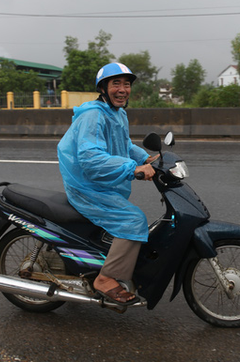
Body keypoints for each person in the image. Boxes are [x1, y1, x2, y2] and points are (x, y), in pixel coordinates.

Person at [57, 62, 157, 305]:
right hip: (86, 187)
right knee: (133, 220)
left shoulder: (117, 113)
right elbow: (91, 159)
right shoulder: (93, 115)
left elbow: (123, 145)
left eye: (126, 84)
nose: (122, 89)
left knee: (124, 218)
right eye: (116, 84)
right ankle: (105, 278)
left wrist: (145, 158)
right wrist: (133, 170)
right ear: (103, 88)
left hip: (102, 184)